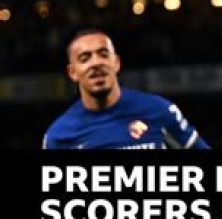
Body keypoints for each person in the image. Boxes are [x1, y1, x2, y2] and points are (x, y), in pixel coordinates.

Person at [43, 29, 210, 149]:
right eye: (85, 58)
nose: (96, 63)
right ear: (72, 72)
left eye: (103, 54)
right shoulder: (59, 136)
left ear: (116, 63)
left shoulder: (159, 110)